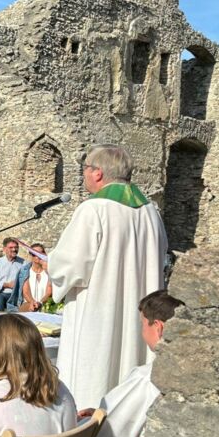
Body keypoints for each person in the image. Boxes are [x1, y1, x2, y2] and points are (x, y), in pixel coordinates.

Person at [50, 144, 168, 409]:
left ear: (98, 173)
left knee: (95, 377)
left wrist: (51, 262)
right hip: (141, 313)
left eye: (86, 170)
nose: (83, 176)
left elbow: (70, 266)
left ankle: (87, 431)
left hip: (99, 314)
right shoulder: (151, 212)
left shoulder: (94, 210)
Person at [79, 290, 183, 437]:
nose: (142, 329)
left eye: (143, 323)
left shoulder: (149, 378)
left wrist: (84, 424)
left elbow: (112, 432)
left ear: (158, 328)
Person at [0, 238, 24, 311]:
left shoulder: (23, 263)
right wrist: (7, 285)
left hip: (18, 294)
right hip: (3, 293)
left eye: (16, 247)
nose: (14, 249)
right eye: (11, 247)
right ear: (4, 249)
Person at [19, 244, 52, 312]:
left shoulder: (49, 271)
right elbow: (26, 292)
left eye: (40, 253)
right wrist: (33, 303)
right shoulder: (25, 271)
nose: (38, 256)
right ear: (31, 255)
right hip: (28, 305)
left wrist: (40, 303)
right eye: (34, 254)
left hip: (45, 305)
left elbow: (49, 292)